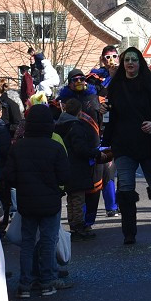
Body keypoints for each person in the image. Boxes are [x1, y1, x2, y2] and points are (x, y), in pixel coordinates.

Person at [0, 103, 70, 298]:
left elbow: (9, 176)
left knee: (28, 242)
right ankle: (47, 281)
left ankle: (25, 283)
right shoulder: (55, 146)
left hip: (26, 200)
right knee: (48, 240)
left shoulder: (19, 147)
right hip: (50, 201)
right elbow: (65, 176)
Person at [105, 47, 151, 243]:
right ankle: (129, 232)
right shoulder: (116, 86)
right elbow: (112, 114)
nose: (130, 63)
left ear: (139, 62)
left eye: (134, 59)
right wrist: (104, 110)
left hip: (148, 143)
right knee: (125, 186)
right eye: (127, 60)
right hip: (124, 143)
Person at [54, 98, 102, 242]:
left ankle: (73, 224)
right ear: (79, 111)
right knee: (78, 199)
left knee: (71, 198)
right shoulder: (76, 126)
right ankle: (78, 226)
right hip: (77, 166)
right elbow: (80, 148)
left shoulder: (59, 124)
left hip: (64, 165)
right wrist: (95, 153)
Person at [87, 45, 119, 219]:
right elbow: (92, 99)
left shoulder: (125, 74)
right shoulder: (94, 77)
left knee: (122, 167)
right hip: (102, 126)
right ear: (102, 59)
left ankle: (119, 203)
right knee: (106, 166)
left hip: (122, 126)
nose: (111, 60)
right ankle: (110, 206)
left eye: (114, 56)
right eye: (107, 57)